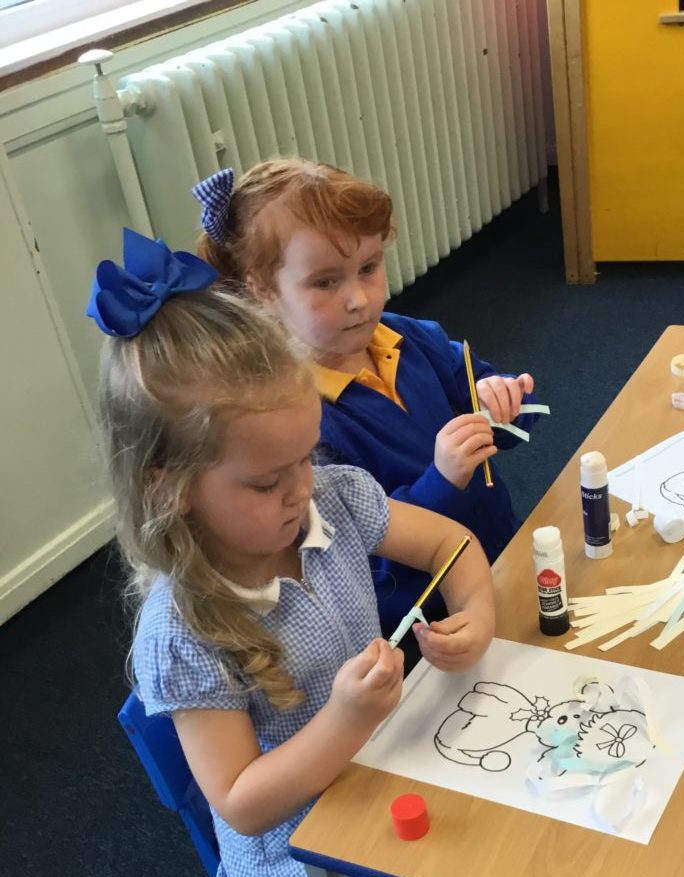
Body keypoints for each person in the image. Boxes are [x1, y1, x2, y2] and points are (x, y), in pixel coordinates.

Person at [89, 229, 497, 877]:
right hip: (299, 843)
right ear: (170, 488)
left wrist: (475, 616)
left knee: (528, 852)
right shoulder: (185, 630)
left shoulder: (332, 499)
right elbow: (242, 803)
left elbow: (451, 545)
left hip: (380, 759)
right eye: (266, 481)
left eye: (307, 455)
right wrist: (346, 721)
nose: (301, 489)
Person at [191, 160, 540, 644]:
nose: (358, 299)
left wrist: (505, 398)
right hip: (425, 623)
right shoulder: (293, 421)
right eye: (326, 282)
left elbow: (493, 400)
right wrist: (442, 482)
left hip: (502, 554)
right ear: (263, 290)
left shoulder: (411, 336)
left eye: (369, 269)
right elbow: (351, 555)